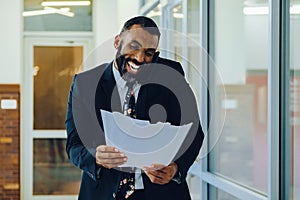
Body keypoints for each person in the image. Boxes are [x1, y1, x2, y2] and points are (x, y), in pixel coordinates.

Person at [65, 16, 204, 200]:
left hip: (161, 193)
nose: (140, 58)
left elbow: (194, 132)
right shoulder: (85, 84)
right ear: (117, 42)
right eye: (134, 46)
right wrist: (95, 157)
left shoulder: (170, 76)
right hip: (104, 192)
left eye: (149, 52)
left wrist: (175, 168)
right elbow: (74, 145)